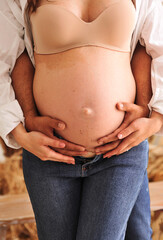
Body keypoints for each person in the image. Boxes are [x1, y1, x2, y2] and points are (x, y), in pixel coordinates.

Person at [0, 0, 163, 239]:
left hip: (119, 151)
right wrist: (19, 131)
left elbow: (156, 45)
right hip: (49, 156)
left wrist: (157, 118)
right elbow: (6, 56)